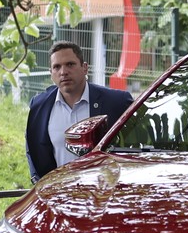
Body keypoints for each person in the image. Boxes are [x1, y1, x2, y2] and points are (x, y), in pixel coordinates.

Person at [25, 41, 134, 183]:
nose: (63, 72)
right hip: (60, 195)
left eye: (70, 64)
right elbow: (33, 150)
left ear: (85, 68)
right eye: (57, 67)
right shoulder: (39, 106)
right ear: (51, 73)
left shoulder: (117, 102)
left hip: (105, 195)